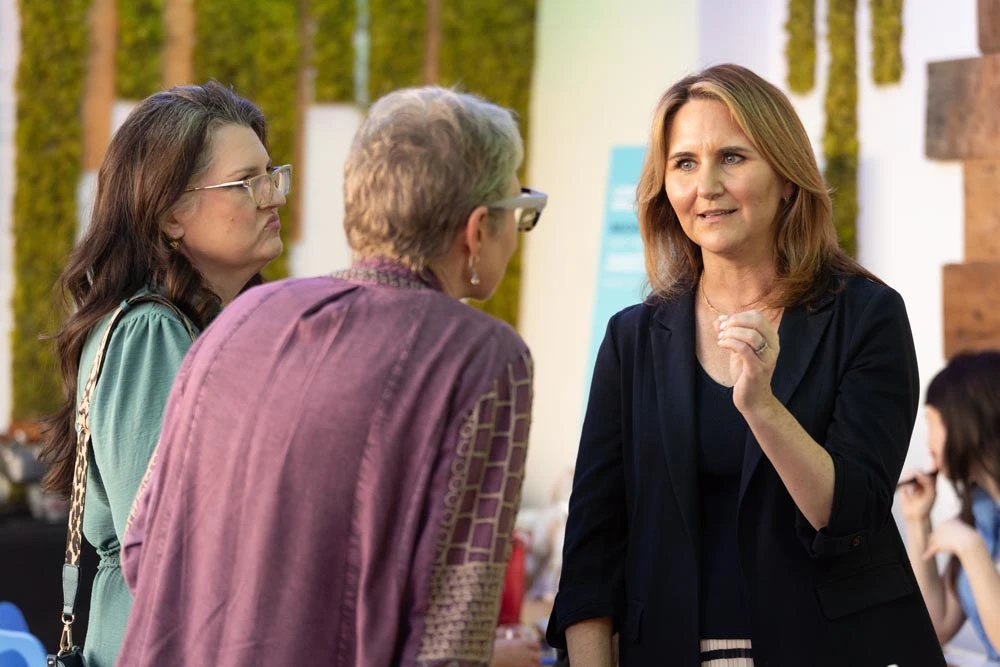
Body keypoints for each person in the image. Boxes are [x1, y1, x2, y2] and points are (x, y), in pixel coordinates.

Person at [116, 86, 544, 666]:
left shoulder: (241, 315)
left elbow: (142, 546)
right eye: (517, 212)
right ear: (476, 230)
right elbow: (452, 639)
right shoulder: (484, 357)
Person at [545, 64, 945, 666]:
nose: (706, 185)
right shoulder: (632, 339)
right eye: (684, 163)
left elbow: (849, 514)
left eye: (732, 157)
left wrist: (762, 407)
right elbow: (591, 552)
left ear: (786, 179)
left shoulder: (866, 316)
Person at [37, 81, 287, 667]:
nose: (273, 196)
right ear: (173, 215)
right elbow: (169, 543)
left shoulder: (188, 329)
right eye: (247, 183)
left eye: (273, 175)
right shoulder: (151, 332)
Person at [901, 350, 1000, 659]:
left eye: (932, 423)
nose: (927, 441)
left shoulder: (970, 535)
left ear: (963, 421)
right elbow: (937, 625)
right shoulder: (981, 511)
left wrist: (971, 549)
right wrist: (918, 521)